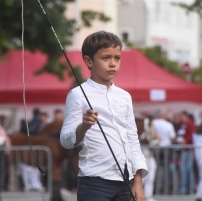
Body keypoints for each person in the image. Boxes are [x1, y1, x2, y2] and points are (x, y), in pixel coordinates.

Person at [60, 31, 148, 201]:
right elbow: (65, 140)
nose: (112, 64)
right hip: (95, 181)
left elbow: (132, 140)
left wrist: (137, 182)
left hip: (126, 181)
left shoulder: (124, 96)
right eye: (106, 58)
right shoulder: (78, 94)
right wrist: (83, 126)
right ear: (89, 61)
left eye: (117, 58)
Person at [151, 108, 176, 194]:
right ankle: (165, 189)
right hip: (166, 148)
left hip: (156, 148)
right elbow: (172, 137)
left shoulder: (153, 123)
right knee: (166, 169)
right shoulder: (168, 124)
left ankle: (155, 188)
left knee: (155, 168)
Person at [178, 111, 195, 195]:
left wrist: (185, 141)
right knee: (186, 169)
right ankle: (187, 188)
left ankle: (187, 188)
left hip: (188, 149)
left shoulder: (189, 124)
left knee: (186, 169)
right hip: (186, 149)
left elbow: (191, 135)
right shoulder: (185, 124)